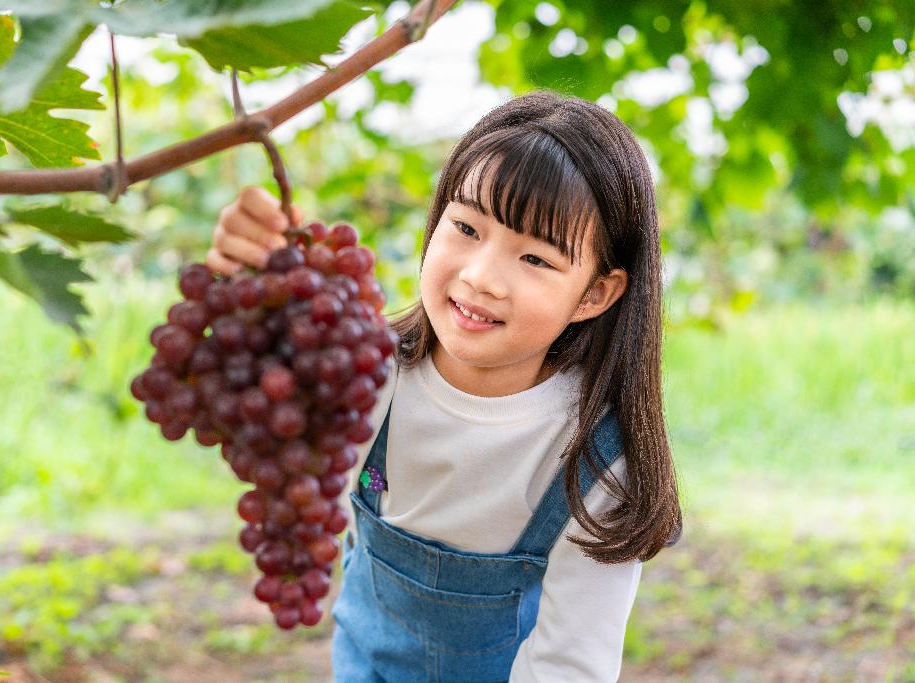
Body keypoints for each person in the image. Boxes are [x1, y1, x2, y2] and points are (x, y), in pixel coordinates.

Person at [206, 90, 683, 682]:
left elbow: (570, 667)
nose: (480, 277)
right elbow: (273, 455)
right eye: (465, 227)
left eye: (534, 258)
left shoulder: (598, 462)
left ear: (594, 294)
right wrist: (249, 289)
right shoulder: (368, 372)